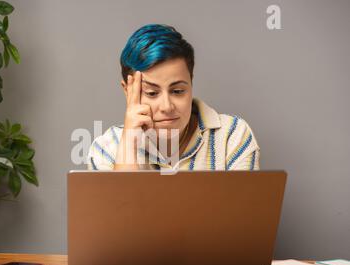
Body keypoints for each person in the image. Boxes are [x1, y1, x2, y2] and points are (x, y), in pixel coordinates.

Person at [87, 24, 260, 171]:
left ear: (191, 84)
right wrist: (129, 144)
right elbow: (119, 210)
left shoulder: (232, 136)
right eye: (152, 93)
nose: (167, 106)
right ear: (127, 91)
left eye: (177, 91)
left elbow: (244, 211)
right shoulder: (106, 149)